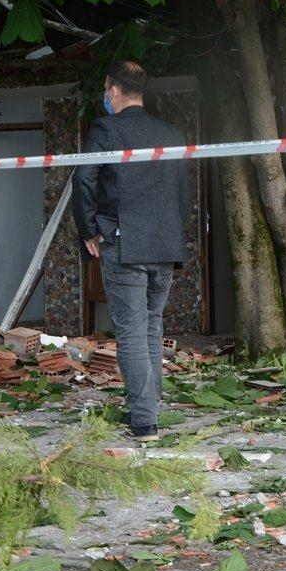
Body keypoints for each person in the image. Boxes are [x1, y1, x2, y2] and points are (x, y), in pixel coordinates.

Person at [72, 60, 190, 441]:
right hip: (166, 245)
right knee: (152, 327)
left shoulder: (106, 128)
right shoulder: (171, 133)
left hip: (125, 245)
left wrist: (88, 230)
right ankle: (149, 406)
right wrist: (173, 231)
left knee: (133, 334)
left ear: (113, 90)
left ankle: (143, 421)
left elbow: (84, 177)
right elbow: (183, 192)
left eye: (106, 90)